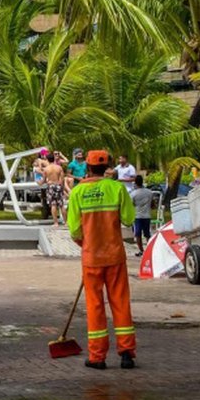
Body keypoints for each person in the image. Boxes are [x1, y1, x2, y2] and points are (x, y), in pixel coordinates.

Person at [67, 150, 137, 370]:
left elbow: (74, 231)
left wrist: (86, 246)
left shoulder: (77, 192)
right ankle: (126, 353)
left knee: (95, 306)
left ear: (87, 167)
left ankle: (97, 357)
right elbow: (128, 219)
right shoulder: (116, 188)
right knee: (120, 302)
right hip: (115, 256)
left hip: (91, 259)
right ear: (107, 167)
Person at [130, 175, 154, 256]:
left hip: (137, 217)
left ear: (135, 183)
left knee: (138, 234)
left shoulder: (133, 194)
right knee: (147, 234)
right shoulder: (149, 192)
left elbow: (131, 205)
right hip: (147, 216)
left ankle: (141, 251)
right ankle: (150, 250)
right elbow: (153, 204)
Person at [41, 154, 67, 226]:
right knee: (61, 205)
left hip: (50, 186)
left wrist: (39, 182)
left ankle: (56, 223)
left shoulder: (46, 169)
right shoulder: (59, 167)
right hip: (58, 185)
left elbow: (43, 180)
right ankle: (66, 222)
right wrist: (62, 187)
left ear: (47, 160)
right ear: (54, 159)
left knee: (53, 205)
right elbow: (62, 179)